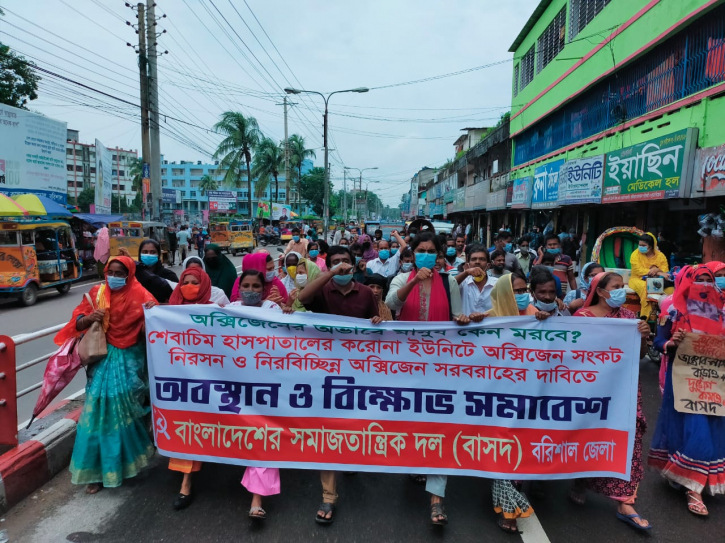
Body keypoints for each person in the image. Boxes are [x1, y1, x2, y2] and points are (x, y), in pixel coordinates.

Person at [54, 256, 157, 494]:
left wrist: (152, 314)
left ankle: (124, 463)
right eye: (111, 271)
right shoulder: (96, 292)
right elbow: (77, 322)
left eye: (121, 273)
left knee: (129, 411)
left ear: (130, 274)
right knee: (98, 414)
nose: (114, 277)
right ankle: (97, 471)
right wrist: (89, 318)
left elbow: (153, 330)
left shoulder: (142, 296)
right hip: (103, 358)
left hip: (132, 361)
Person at [385, 231, 465, 526]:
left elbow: (458, 317)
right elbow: (392, 304)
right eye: (422, 250)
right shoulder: (400, 278)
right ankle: (415, 460)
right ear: (413, 252)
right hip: (405, 367)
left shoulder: (448, 281)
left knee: (440, 426)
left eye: (432, 250)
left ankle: (436, 500)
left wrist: (464, 319)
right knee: (411, 423)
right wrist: (415, 280)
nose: (427, 254)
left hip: (441, 368)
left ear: (439, 253)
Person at [296, 245, 381, 524]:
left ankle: (350, 456)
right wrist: (329, 274)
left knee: (354, 424)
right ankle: (328, 497)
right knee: (328, 429)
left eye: (345, 261)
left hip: (359, 372)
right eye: (335, 262)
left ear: (354, 264)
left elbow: (376, 324)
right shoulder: (322, 289)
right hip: (325, 372)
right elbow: (303, 297)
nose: (342, 266)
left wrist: (378, 322)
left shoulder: (366, 293)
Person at [572, 271, 652, 531]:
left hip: (623, 390)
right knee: (589, 436)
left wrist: (642, 335)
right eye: (616, 287)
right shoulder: (582, 318)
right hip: (591, 390)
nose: (622, 290)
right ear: (601, 291)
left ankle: (625, 501)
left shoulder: (629, 318)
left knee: (628, 437)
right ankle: (580, 480)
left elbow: (638, 355)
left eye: (623, 286)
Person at [648, 264, 725, 517]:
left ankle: (686, 473)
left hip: (716, 380)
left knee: (713, 429)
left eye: (709, 280)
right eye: (698, 280)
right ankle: (694, 489)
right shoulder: (672, 310)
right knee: (695, 427)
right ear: (687, 281)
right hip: (684, 379)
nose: (705, 285)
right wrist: (672, 342)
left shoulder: (722, 309)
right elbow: (658, 342)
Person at [483, 272, 536, 533]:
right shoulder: (487, 319)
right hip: (496, 395)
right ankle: (508, 508)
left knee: (521, 448)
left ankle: (512, 495)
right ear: (504, 292)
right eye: (515, 291)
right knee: (503, 448)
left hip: (531, 395)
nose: (521, 295)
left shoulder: (536, 315)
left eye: (525, 289)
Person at [166, 266, 214, 510]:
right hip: (182, 381)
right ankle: (186, 483)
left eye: (196, 282)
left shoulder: (215, 312)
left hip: (213, 380)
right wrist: (154, 313)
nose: (190, 286)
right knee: (187, 427)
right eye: (186, 282)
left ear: (204, 284)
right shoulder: (168, 311)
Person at [628, 233, 672, 319]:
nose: (640, 247)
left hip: (657, 281)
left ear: (651, 246)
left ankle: (666, 318)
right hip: (637, 279)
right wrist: (658, 271)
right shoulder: (635, 254)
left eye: (643, 245)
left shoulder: (660, 256)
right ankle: (645, 319)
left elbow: (665, 270)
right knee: (646, 287)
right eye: (639, 245)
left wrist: (657, 270)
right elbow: (638, 270)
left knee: (671, 291)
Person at [122, 239, 178, 303]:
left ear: (158, 254)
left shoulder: (169, 275)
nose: (148, 255)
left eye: (153, 252)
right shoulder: (132, 275)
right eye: (145, 252)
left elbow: (177, 300)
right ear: (140, 254)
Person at [456, 244, 497, 316]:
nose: (477, 262)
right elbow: (448, 285)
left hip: (491, 327)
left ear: (489, 265)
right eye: (473, 259)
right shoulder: (463, 282)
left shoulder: (497, 283)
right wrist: (466, 272)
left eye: (482, 259)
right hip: (466, 326)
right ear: (468, 264)